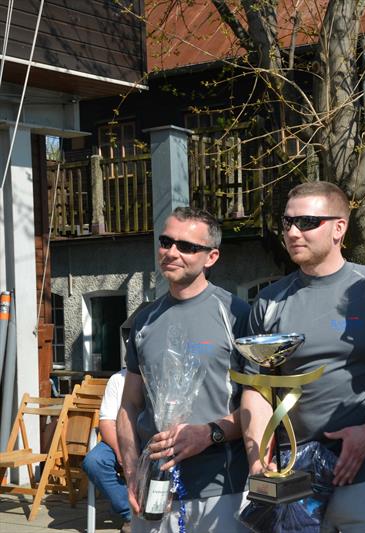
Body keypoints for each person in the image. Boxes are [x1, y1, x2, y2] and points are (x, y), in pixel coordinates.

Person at [242, 181, 365, 533]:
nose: (292, 232)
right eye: (287, 222)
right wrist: (258, 464)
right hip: (294, 478)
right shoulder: (269, 301)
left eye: (306, 222)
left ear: (339, 228)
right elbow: (258, 390)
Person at [117, 206, 251, 533]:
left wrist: (210, 433)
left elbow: (259, 403)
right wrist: (133, 469)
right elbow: (129, 404)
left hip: (221, 488)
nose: (171, 252)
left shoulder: (237, 314)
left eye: (187, 246)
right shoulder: (144, 319)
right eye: (166, 242)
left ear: (211, 257)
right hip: (154, 491)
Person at [82, 369, 131, 532]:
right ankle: (130, 513)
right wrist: (121, 451)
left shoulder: (164, 375)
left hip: (150, 440)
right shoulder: (118, 379)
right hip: (118, 439)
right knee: (94, 462)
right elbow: (106, 423)